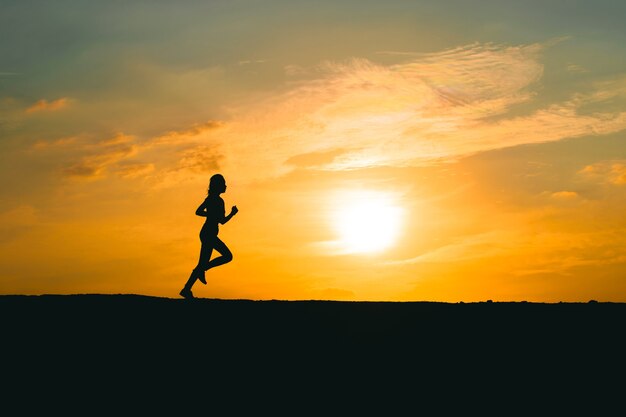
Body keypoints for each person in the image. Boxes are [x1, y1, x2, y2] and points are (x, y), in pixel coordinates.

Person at [180, 174, 238, 299]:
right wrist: (229, 214)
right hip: (208, 234)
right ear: (218, 186)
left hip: (208, 233)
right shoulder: (215, 200)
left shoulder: (213, 199)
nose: (226, 186)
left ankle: (187, 288)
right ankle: (202, 270)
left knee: (202, 263)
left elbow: (215, 218)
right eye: (223, 184)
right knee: (227, 256)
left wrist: (223, 214)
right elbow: (202, 213)